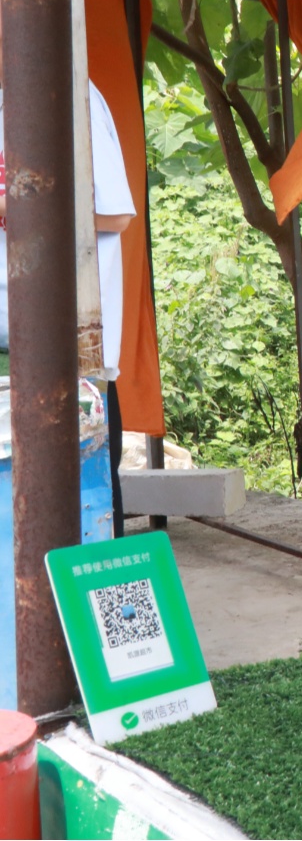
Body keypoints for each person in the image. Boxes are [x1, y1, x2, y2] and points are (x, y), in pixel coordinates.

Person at [0, 29, 139, 520]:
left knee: (87, 504)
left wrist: (24, 211)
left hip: (71, 349)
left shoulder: (71, 94)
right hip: (9, 347)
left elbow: (116, 214)